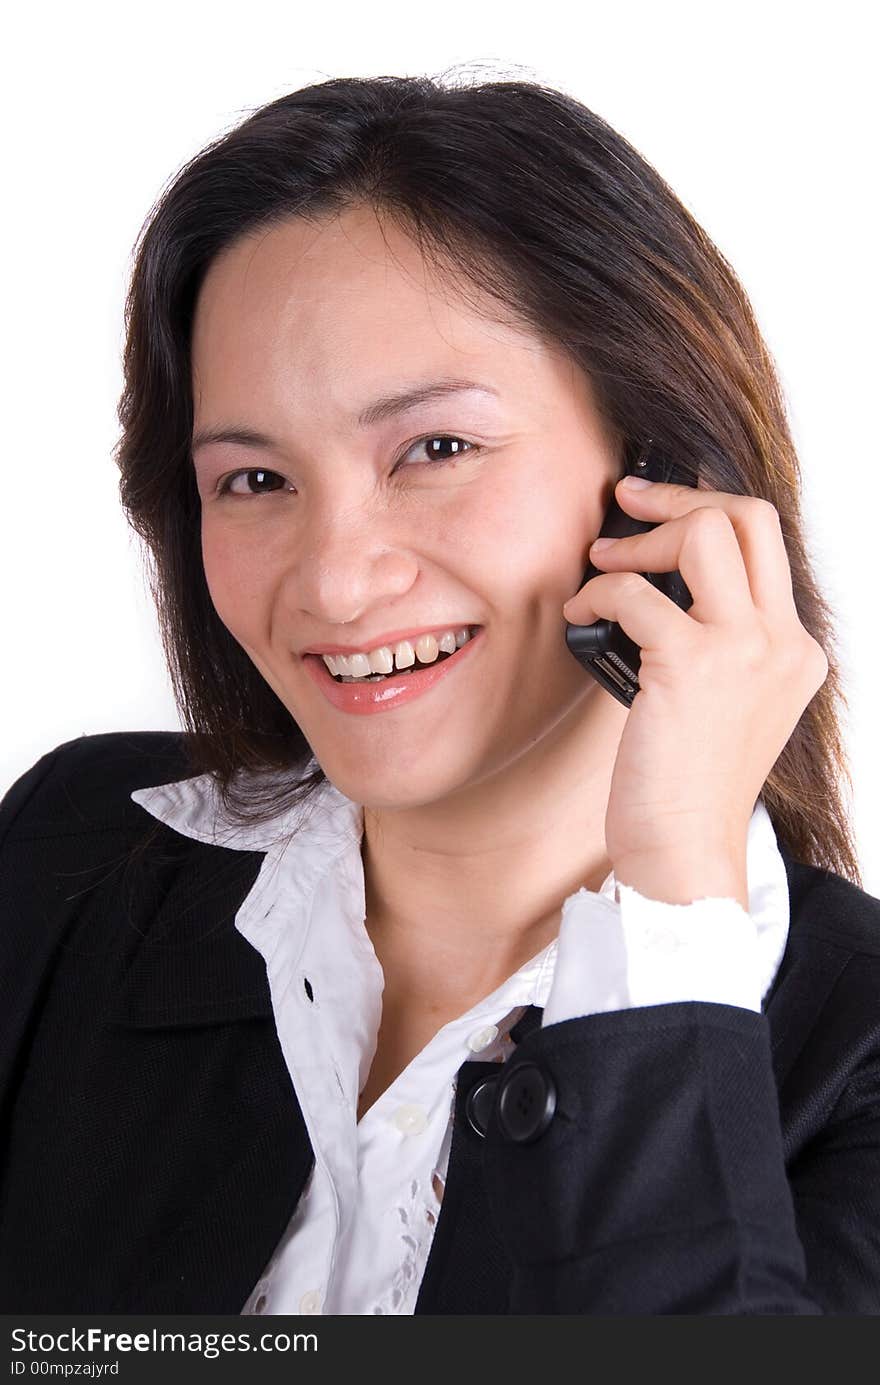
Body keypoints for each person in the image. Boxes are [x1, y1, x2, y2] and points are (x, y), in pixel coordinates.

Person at [1, 72, 878, 1317]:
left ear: (658, 469)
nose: (338, 582)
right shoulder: (69, 853)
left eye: (436, 449)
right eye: (253, 479)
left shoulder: (852, 1052)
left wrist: (675, 894)